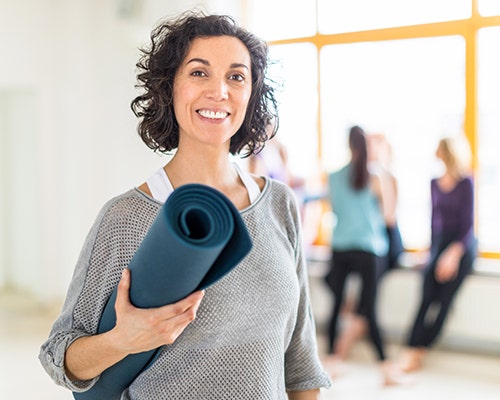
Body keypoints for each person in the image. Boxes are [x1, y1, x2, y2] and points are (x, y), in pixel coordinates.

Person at [39, 11, 331, 399]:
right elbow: (60, 357)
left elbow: (300, 360)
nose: (219, 91)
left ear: (251, 94)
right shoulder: (126, 218)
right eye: (198, 72)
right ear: (169, 87)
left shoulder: (278, 204)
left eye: (236, 76)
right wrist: (122, 340)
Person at [322, 125, 404, 385]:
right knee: (369, 309)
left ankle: (332, 362)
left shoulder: (334, 176)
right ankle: (387, 369)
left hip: (341, 246)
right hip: (369, 249)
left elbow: (333, 209)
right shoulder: (376, 176)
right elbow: (389, 217)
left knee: (336, 307)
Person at [399, 135, 476, 372]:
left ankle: (420, 350)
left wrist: (452, 256)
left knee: (444, 300)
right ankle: (409, 350)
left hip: (461, 246)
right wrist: (431, 253)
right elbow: (434, 221)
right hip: (440, 243)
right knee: (425, 296)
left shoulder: (466, 183)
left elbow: (468, 226)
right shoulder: (434, 182)